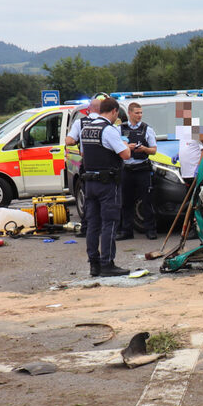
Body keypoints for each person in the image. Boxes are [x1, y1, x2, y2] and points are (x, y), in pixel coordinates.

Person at [80, 96, 131, 277]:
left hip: (90, 183)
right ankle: (107, 263)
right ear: (114, 111)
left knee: (93, 224)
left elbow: (83, 153)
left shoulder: (86, 128)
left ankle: (94, 264)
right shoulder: (108, 130)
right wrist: (126, 144)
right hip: (107, 183)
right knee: (109, 223)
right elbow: (125, 154)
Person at [117, 102, 158, 241]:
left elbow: (153, 149)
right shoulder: (120, 129)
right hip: (127, 169)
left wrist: (144, 149)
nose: (140, 115)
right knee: (125, 202)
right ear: (130, 113)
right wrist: (128, 147)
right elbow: (116, 147)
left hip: (142, 169)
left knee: (147, 201)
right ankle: (126, 230)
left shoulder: (147, 129)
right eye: (137, 113)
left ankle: (150, 230)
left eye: (141, 113)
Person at [65, 97, 105, 237]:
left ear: (89, 109)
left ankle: (87, 229)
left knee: (89, 199)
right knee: (107, 199)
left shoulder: (80, 123)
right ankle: (107, 228)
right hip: (105, 166)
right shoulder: (108, 124)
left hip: (87, 164)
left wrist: (79, 140)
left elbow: (69, 141)